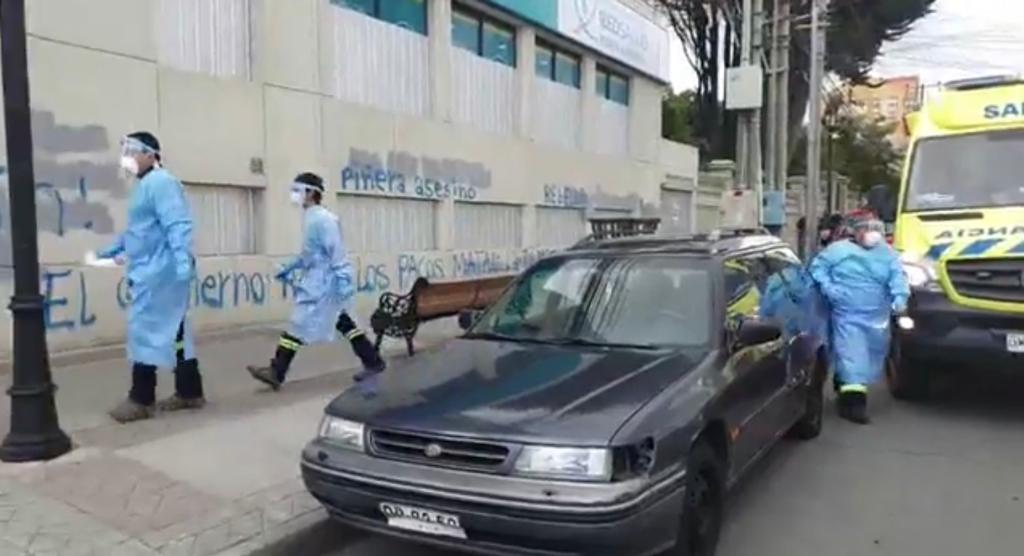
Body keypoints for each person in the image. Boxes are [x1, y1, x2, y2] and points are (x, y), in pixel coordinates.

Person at [97, 132, 205, 423]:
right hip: (158, 269)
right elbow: (143, 229)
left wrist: (182, 260)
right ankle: (190, 390)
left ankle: (141, 398)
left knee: (143, 329)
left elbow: (176, 223)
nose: (128, 157)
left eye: (133, 151)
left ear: (151, 154)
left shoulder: (160, 182)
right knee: (177, 331)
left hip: (160, 272)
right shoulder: (146, 185)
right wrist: (118, 247)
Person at [246, 172, 385, 389]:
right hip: (319, 281)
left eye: (297, 191)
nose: (294, 195)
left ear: (311, 193)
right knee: (342, 322)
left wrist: (342, 281)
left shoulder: (323, 219)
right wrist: (291, 267)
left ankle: (277, 371)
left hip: (324, 283)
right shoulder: (313, 217)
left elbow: (335, 251)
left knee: (300, 323)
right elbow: (309, 254)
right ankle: (373, 361)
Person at [808, 216, 909, 424]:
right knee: (853, 355)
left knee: (872, 355)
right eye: (868, 230)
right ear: (857, 232)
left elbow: (897, 276)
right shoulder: (838, 251)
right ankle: (853, 404)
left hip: (877, 316)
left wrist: (900, 298)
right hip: (848, 312)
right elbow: (818, 269)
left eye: (876, 230)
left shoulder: (887, 253)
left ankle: (846, 384)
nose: (873, 234)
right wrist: (829, 288)